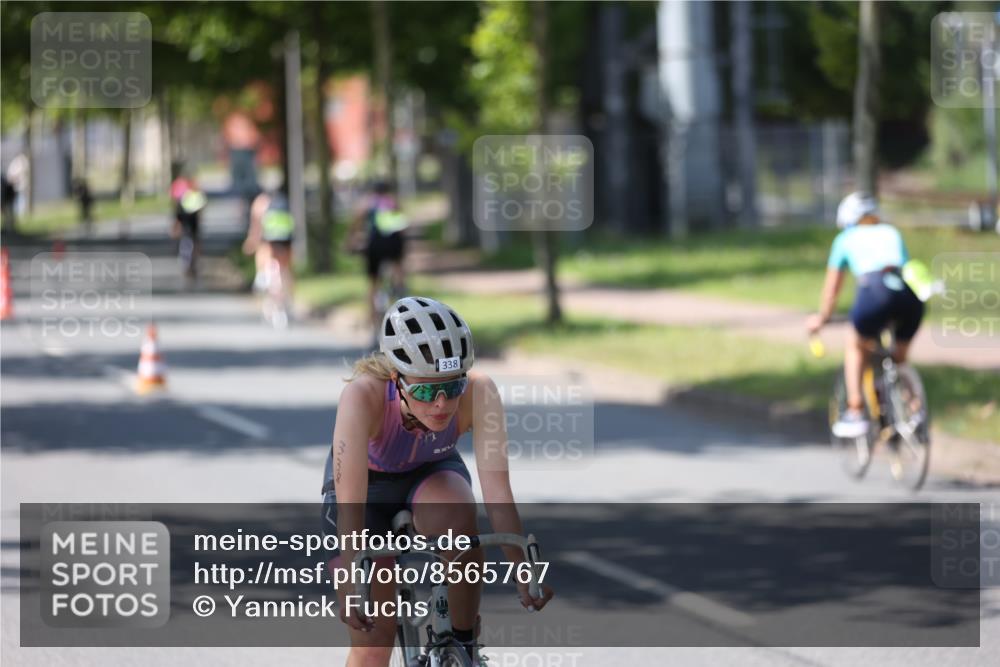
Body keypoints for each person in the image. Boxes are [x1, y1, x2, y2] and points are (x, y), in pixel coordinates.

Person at [321, 296, 553, 667]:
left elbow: (498, 494)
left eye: (452, 386)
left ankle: (462, 644)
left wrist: (521, 569)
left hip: (431, 474)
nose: (443, 403)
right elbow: (350, 504)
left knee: (460, 516)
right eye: (427, 390)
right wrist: (351, 577)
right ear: (396, 378)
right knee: (372, 643)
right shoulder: (362, 395)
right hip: (366, 491)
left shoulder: (480, 391)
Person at [806, 192, 924, 438]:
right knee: (899, 359)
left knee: (855, 344)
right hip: (909, 296)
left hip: (875, 293)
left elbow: (832, 289)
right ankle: (916, 409)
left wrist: (822, 318)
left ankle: (855, 410)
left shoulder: (845, 238)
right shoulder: (891, 232)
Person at [347, 181, 409, 342]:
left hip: (375, 247)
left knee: (373, 286)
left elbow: (356, 223)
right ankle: (400, 288)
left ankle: (374, 329)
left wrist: (351, 241)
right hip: (394, 246)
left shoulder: (368, 203)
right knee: (398, 267)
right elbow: (402, 228)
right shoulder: (393, 202)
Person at [243, 188, 295, 314]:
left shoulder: (259, 202)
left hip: (270, 234)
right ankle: (287, 294)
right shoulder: (284, 203)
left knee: (263, 249)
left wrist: (251, 242)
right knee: (285, 267)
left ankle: (261, 276)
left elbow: (256, 228)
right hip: (286, 235)